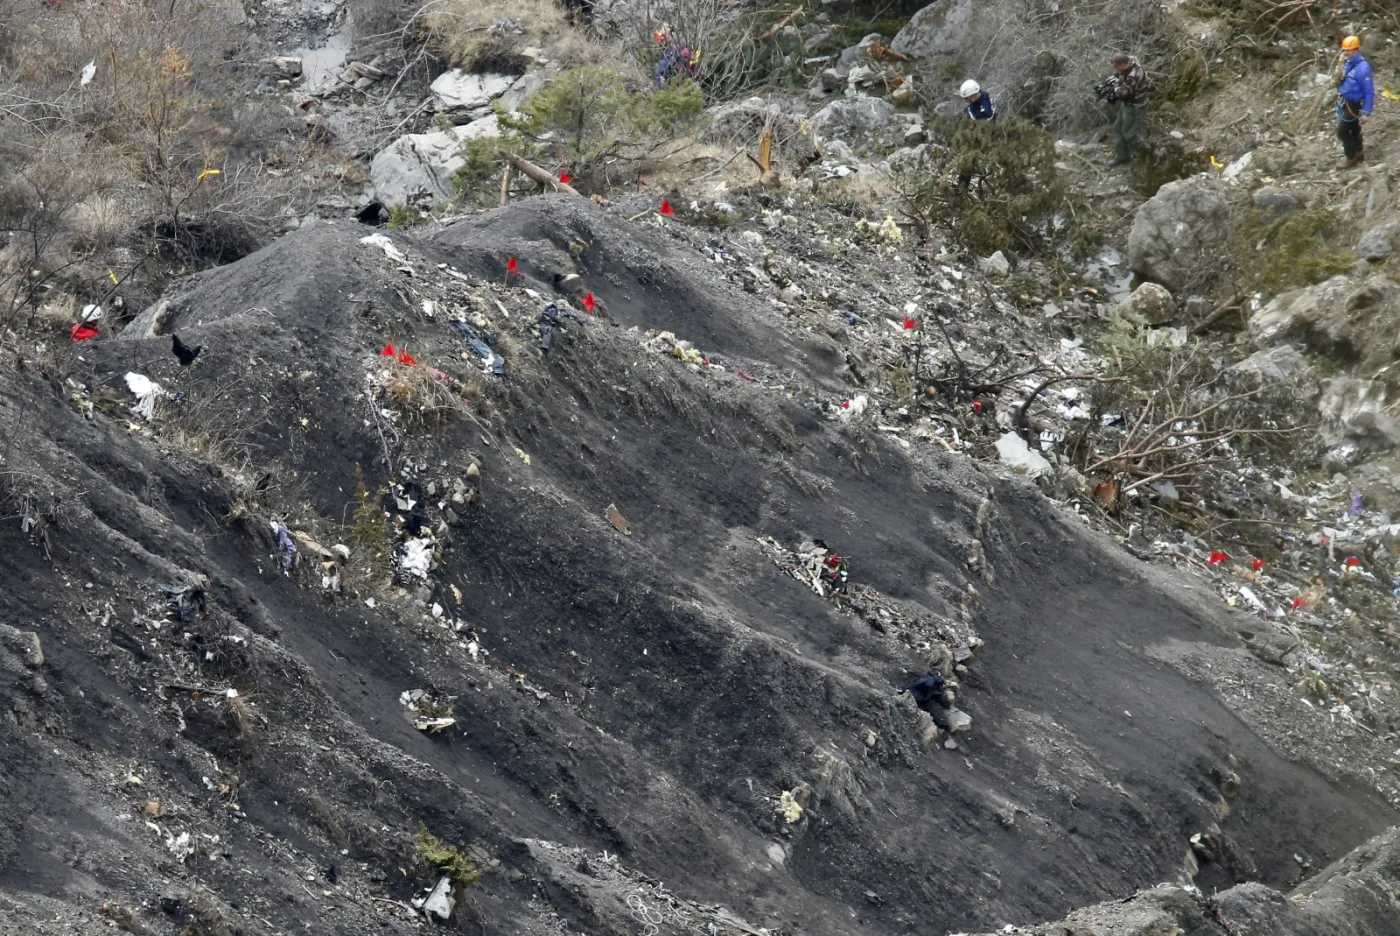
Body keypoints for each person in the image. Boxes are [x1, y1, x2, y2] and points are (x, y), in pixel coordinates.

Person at [1102, 52, 1150, 168]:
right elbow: (1119, 76)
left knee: (1130, 134)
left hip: (1136, 107)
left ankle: (1148, 151)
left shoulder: (1134, 75)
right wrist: (1113, 80)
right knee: (1118, 129)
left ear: (1123, 64)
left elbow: (1122, 94)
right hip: (1127, 104)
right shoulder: (1128, 64)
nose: (1116, 69)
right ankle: (1122, 156)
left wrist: (1115, 86)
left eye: (1117, 67)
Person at [1336, 35, 1375, 169]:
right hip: (1345, 101)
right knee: (1353, 127)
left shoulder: (1363, 68)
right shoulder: (1347, 62)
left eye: (1348, 50)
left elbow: (1369, 92)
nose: (1346, 53)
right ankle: (1359, 151)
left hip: (1354, 104)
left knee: (1342, 131)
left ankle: (1350, 156)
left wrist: (1366, 112)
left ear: (1356, 50)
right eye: (1345, 50)